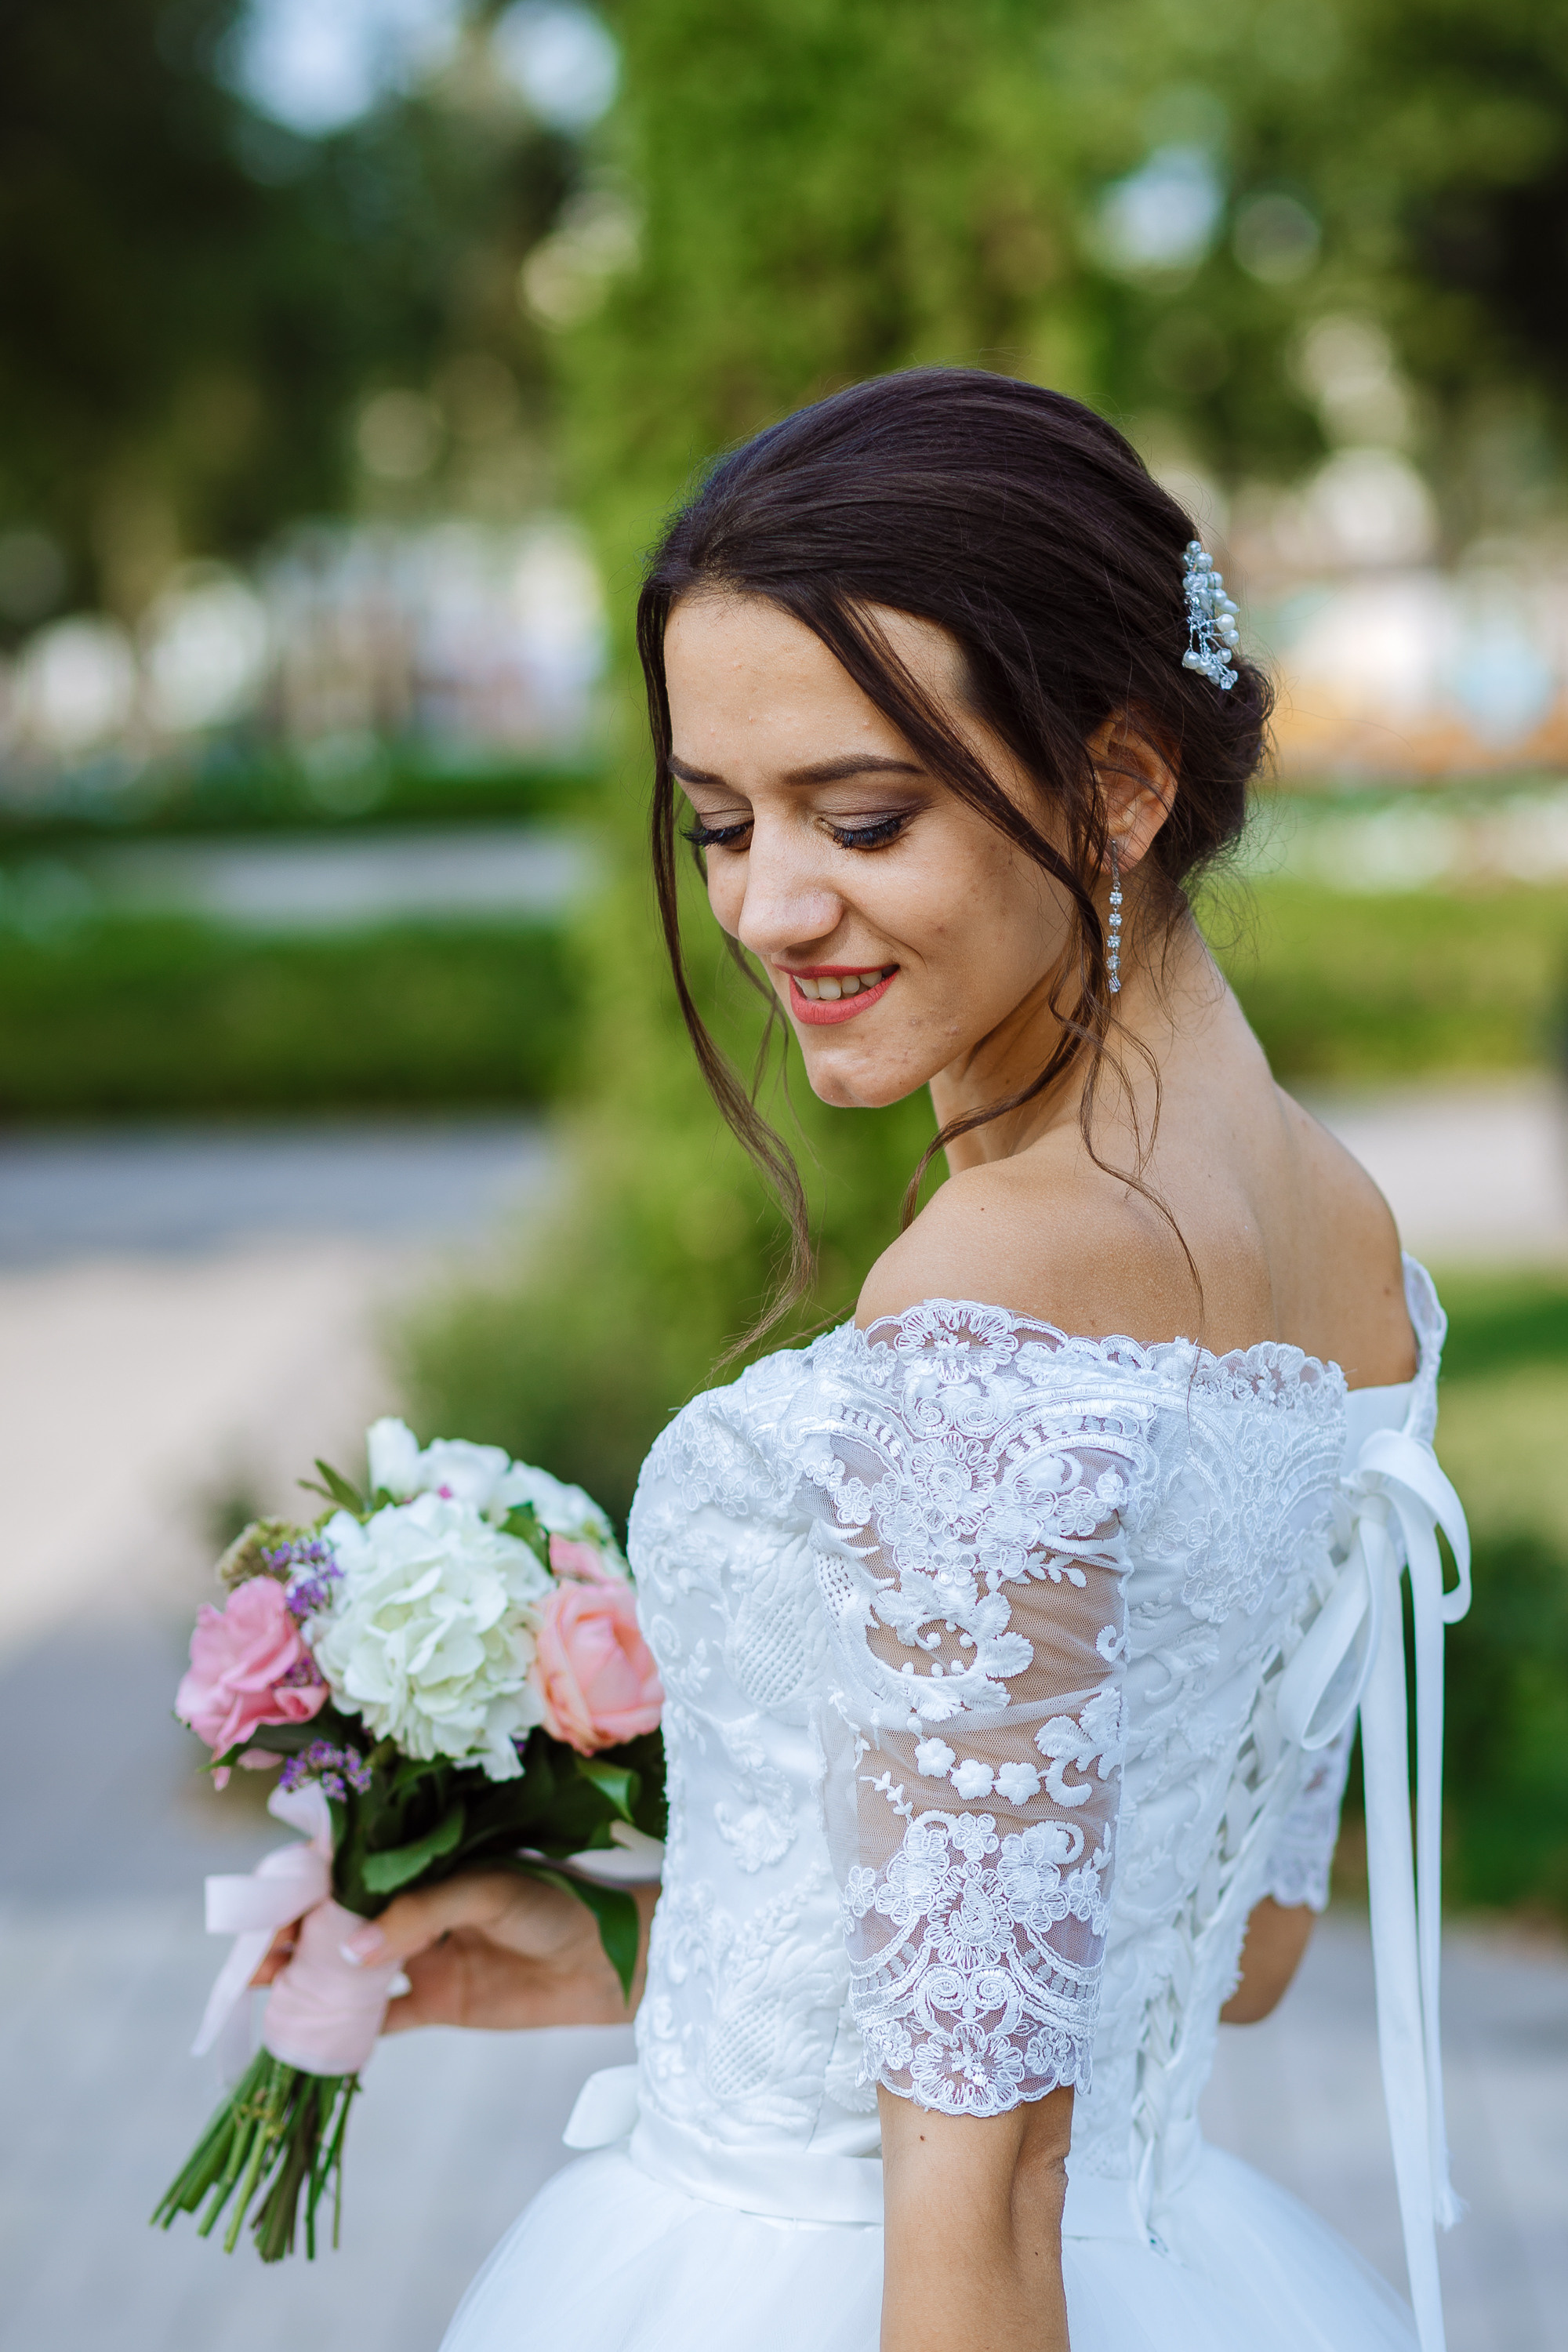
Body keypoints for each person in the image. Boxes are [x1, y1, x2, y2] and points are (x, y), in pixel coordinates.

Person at [336, 371, 1471, 2351]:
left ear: (1118, 786)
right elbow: (1223, 1953)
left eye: (862, 816)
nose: (771, 908)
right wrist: (633, 1945)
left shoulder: (993, 1291)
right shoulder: (1349, 1231)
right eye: (715, 824)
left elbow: (978, 2197)